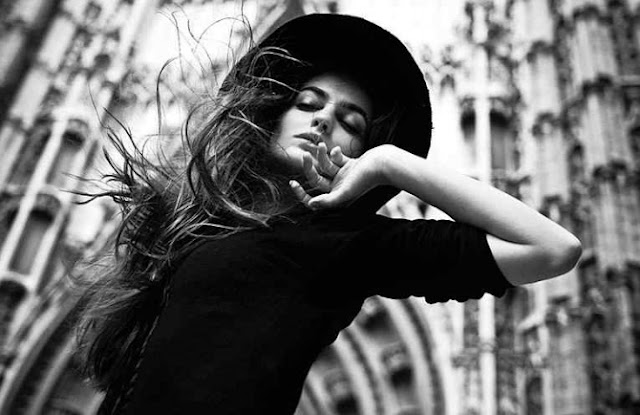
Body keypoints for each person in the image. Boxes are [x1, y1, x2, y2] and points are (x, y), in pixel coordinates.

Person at [73, 13, 582, 415]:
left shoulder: (346, 242)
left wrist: (391, 164)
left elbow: (551, 248)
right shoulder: (198, 228)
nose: (323, 118)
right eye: (308, 102)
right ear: (271, 113)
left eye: (351, 122)